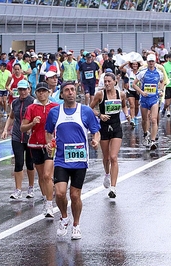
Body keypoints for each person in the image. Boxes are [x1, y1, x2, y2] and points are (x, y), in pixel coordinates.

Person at [45, 81, 100, 240]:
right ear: (61, 94)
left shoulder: (86, 111)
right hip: (61, 159)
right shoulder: (55, 112)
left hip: (79, 160)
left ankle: (76, 224)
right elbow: (48, 132)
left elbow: (96, 131)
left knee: (75, 195)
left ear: (76, 93)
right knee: (60, 192)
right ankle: (64, 217)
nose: (70, 93)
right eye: (67, 90)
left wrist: (95, 141)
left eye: (72, 90)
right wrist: (50, 144)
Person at [20, 82, 59, 217]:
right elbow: (23, 128)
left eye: (44, 91)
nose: (41, 93)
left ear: (49, 92)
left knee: (48, 175)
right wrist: (32, 123)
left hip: (50, 145)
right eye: (39, 91)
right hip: (35, 145)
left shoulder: (55, 107)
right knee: (42, 176)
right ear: (36, 93)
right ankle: (46, 198)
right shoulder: (31, 108)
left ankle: (49, 205)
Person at [90, 73, 130, 198]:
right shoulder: (100, 95)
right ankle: (107, 174)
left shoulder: (121, 94)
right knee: (106, 157)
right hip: (104, 127)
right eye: (105, 81)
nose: (107, 84)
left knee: (114, 157)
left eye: (109, 81)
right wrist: (99, 115)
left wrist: (127, 114)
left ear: (115, 82)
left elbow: (124, 106)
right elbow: (89, 108)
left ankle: (113, 188)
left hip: (116, 127)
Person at [1, 80, 36, 199]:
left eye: (24, 89)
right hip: (16, 135)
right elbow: (11, 117)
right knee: (18, 162)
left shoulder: (33, 102)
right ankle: (18, 189)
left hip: (30, 137)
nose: (22, 92)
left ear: (29, 89)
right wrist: (6, 129)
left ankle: (31, 187)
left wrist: (31, 128)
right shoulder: (15, 103)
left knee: (30, 163)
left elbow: (38, 119)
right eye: (20, 89)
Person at [132, 54, 164, 150]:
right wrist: (141, 92)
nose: (151, 63)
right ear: (147, 62)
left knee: (154, 119)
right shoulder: (143, 72)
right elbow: (134, 84)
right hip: (144, 99)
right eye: (149, 61)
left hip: (154, 99)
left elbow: (162, 82)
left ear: (155, 62)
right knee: (145, 119)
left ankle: (153, 141)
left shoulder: (159, 73)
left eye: (152, 61)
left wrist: (161, 90)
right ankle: (146, 134)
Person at [119, 61, 141, 127]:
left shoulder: (140, 72)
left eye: (136, 64)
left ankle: (135, 117)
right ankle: (132, 119)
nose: (134, 66)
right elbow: (120, 68)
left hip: (137, 91)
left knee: (136, 106)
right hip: (130, 90)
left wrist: (139, 90)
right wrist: (126, 63)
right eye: (133, 64)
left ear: (138, 65)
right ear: (131, 65)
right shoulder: (129, 71)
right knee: (132, 105)